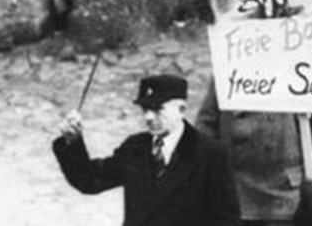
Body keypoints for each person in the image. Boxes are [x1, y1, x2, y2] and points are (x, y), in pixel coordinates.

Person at [53, 75, 240, 226]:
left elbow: (225, 220)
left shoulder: (210, 153)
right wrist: (73, 142)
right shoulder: (135, 147)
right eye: (145, 109)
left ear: (181, 110)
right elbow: (90, 181)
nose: (149, 117)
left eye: (158, 109)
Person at [196, 84, 302, 226]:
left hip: (284, 186)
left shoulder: (291, 68)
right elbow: (207, 123)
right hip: (237, 185)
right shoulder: (226, 69)